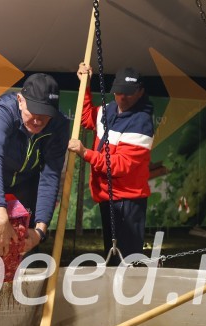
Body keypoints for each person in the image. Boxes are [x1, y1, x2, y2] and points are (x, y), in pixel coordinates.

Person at [0, 73, 69, 257]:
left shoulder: (59, 124)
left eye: (46, 115)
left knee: (25, 241)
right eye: (33, 112)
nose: (38, 121)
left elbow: (50, 174)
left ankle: (23, 281)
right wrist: (0, 214)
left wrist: (39, 231)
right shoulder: (3, 111)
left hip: (27, 180)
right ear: (20, 100)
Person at [69, 64, 154, 264]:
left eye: (128, 94)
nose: (122, 97)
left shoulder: (142, 123)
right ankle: (115, 291)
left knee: (126, 260)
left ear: (140, 92)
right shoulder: (109, 110)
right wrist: (85, 85)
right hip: (109, 196)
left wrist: (85, 153)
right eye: (118, 92)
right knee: (113, 254)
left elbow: (119, 166)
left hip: (128, 201)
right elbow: (86, 118)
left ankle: (129, 293)